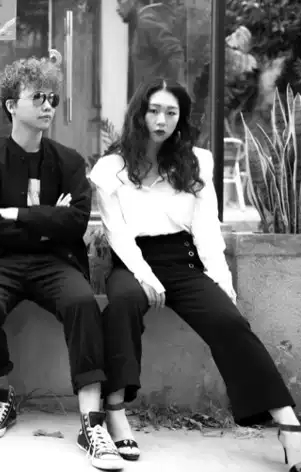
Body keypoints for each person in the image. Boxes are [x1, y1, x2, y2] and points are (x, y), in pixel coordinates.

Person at [89, 77, 300, 469]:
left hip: (184, 261)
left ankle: (287, 422)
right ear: (139, 114)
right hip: (132, 261)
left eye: (171, 113)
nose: (161, 120)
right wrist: (145, 275)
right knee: (123, 303)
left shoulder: (197, 161)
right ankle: (115, 410)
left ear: (181, 118)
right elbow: (116, 232)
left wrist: (223, 285)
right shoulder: (111, 168)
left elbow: (206, 230)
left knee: (229, 321)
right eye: (154, 111)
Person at [0, 57, 124, 471]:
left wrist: (17, 215)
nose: (48, 105)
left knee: (83, 303)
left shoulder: (69, 161)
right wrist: (49, 221)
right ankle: (3, 398)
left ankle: (92, 423)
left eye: (52, 97)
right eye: (37, 97)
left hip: (56, 261)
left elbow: (76, 221)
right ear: (11, 106)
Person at [116, 0, 184, 99]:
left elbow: (174, 53)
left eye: (120, 1)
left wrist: (171, 94)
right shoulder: (142, 22)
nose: (118, 8)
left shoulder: (146, 21)